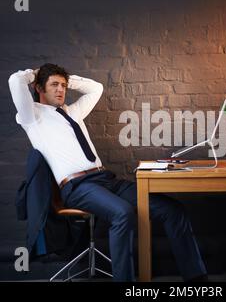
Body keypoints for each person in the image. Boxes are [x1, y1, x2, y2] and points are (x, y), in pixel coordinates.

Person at [8, 63, 207, 282]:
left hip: (105, 179)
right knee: (122, 213)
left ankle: (196, 279)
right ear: (39, 88)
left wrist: (66, 78)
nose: (61, 90)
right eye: (54, 85)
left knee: (172, 209)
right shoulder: (32, 117)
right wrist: (36, 74)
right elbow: (15, 81)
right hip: (78, 187)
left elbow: (96, 88)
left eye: (63, 85)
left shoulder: (72, 113)